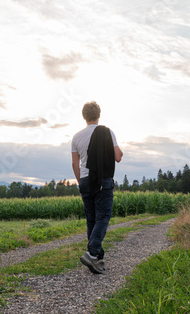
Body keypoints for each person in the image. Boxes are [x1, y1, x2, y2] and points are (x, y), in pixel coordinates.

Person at [71, 101, 123, 274]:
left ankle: (97, 260)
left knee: (91, 219)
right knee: (103, 217)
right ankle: (92, 252)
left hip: (85, 180)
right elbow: (118, 157)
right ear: (99, 115)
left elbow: (74, 163)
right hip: (102, 180)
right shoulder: (107, 132)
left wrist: (80, 182)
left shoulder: (76, 137)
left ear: (84, 116)